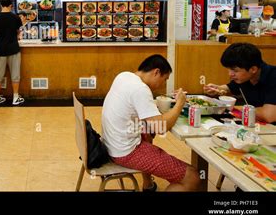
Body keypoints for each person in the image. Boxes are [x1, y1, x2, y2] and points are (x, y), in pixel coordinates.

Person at [101, 55, 200, 191]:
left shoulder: (124, 76)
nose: (162, 85)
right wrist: (179, 104)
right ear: (156, 72)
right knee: (192, 176)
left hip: (110, 143)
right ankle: (154, 181)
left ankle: (148, 185)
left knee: (147, 132)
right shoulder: (140, 89)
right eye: (164, 80)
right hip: (125, 152)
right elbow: (161, 127)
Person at [203, 42, 276, 123]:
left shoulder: (273, 77)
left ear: (253, 69)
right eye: (229, 69)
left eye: (235, 70)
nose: (230, 74)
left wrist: (237, 109)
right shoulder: (245, 77)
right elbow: (229, 88)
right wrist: (217, 89)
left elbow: (269, 115)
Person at [0, 0, 24, 106]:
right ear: (11, 6)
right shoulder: (15, 18)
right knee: (15, 75)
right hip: (13, 49)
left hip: (0, 50)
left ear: (1, 5)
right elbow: (19, 32)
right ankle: (15, 97)